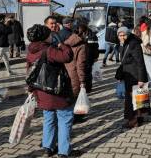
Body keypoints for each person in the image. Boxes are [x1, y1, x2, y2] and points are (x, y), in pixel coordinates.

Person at [25, 24, 74, 158]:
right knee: (65, 119)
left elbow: (29, 71)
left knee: (48, 119)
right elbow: (68, 56)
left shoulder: (31, 51)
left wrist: (31, 90)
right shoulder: (49, 50)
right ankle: (64, 151)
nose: (51, 36)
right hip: (56, 92)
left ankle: (48, 147)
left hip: (41, 92)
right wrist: (61, 45)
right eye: (49, 34)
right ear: (44, 37)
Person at [115, 26, 149, 128]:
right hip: (128, 75)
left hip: (135, 75)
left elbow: (140, 62)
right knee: (136, 98)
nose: (122, 37)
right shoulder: (124, 44)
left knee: (134, 99)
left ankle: (134, 121)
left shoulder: (133, 44)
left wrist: (141, 79)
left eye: (124, 35)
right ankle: (138, 118)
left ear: (128, 34)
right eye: (120, 35)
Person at [64, 21, 87, 123]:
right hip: (75, 74)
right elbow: (80, 64)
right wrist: (82, 80)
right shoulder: (81, 45)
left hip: (66, 72)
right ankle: (73, 118)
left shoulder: (67, 41)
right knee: (75, 97)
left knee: (68, 96)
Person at [83, 23, 99, 93]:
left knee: (88, 73)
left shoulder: (92, 35)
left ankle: (88, 88)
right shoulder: (79, 33)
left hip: (89, 57)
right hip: (82, 57)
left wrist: (96, 57)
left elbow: (95, 47)